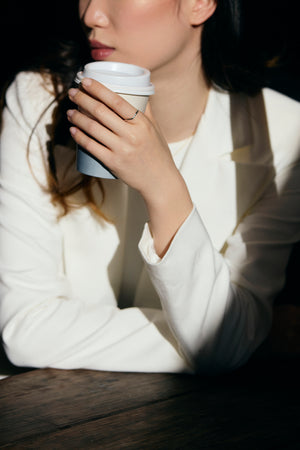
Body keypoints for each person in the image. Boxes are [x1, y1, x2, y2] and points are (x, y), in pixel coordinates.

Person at [0, 0, 299, 374]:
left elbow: (227, 338)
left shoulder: (284, 137)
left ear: (200, 4)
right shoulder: (38, 100)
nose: (91, 14)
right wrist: (250, 344)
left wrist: (162, 184)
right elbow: (27, 331)